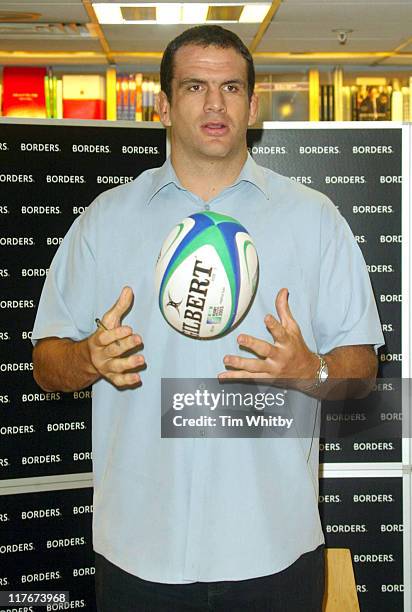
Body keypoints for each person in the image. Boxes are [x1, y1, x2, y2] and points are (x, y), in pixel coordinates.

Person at [32, 25, 384, 612]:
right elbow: (46, 363)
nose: (216, 103)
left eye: (232, 87)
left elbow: (362, 368)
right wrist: (86, 358)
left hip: (275, 548)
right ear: (165, 104)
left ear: (252, 104)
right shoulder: (105, 220)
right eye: (196, 86)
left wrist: (310, 370)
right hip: (139, 549)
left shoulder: (314, 219)